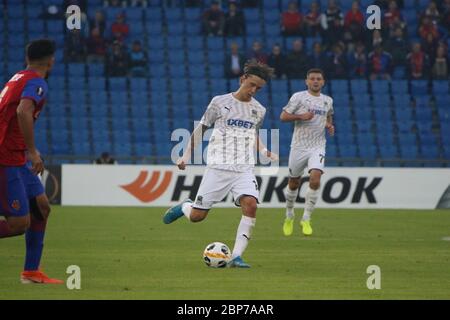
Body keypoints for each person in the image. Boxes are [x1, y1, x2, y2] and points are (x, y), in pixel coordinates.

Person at [163, 60, 278, 268]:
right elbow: (202, 129)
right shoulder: (220, 102)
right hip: (218, 166)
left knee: (251, 204)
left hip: (243, 167)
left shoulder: (259, 110)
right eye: (251, 84)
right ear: (242, 79)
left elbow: (253, 133)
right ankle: (186, 207)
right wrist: (186, 155)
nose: (254, 90)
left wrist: (263, 151)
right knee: (198, 217)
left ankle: (236, 256)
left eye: (258, 88)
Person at [0, 39, 63, 284]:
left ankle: (31, 271)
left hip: (15, 158)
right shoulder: (37, 82)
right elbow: (23, 111)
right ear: (51, 60)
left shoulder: (18, 76)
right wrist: (33, 152)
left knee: (41, 207)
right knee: (18, 224)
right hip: (5, 158)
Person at [280, 68, 334, 236]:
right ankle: (289, 215)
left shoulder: (327, 101)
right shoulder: (299, 97)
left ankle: (306, 218)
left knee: (315, 178)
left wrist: (328, 124)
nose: (315, 81)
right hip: (298, 147)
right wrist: (301, 116)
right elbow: (283, 116)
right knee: (293, 183)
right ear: (307, 81)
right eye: (312, 79)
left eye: (318, 78)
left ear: (323, 82)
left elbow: (329, 115)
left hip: (317, 146)